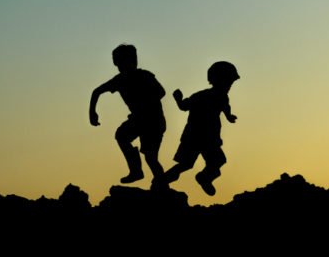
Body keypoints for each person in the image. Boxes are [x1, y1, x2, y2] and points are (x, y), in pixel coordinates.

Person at [89, 44, 166, 186]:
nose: (122, 68)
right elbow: (96, 91)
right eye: (119, 65)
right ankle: (136, 170)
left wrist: (145, 103)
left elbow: (161, 92)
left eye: (124, 64)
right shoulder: (119, 80)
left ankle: (162, 186)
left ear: (133, 62)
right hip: (139, 120)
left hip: (154, 121)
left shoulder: (145, 76)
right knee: (121, 135)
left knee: (150, 157)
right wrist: (92, 113)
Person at [164, 61, 239, 196]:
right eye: (228, 82)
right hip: (193, 137)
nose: (229, 86)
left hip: (209, 138)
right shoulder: (201, 96)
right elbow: (184, 106)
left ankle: (204, 178)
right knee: (186, 164)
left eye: (230, 83)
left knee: (217, 161)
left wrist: (229, 116)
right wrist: (178, 99)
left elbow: (225, 107)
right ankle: (162, 181)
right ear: (217, 80)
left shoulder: (222, 97)